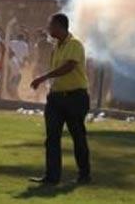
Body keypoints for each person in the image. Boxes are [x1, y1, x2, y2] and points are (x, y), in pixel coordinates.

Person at [29, 13, 91, 186]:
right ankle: (52, 177)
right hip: (56, 98)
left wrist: (43, 77)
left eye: (51, 25)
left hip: (75, 97)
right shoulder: (56, 47)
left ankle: (84, 174)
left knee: (78, 136)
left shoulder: (74, 44)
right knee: (52, 137)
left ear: (59, 26)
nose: (49, 29)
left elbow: (69, 67)